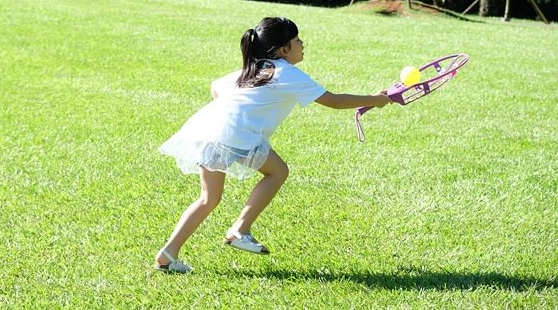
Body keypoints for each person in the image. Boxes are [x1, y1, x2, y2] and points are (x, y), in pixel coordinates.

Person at [154, 17, 391, 273]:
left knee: (208, 198)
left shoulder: (257, 68)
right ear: (283, 49)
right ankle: (239, 229)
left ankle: (167, 255)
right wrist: (376, 99)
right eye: (297, 40)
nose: (302, 44)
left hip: (208, 130)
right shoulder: (285, 71)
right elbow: (332, 100)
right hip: (235, 134)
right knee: (277, 172)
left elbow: (216, 86)